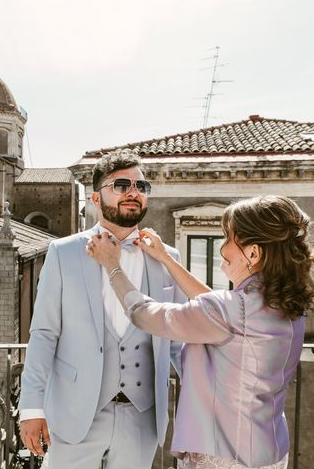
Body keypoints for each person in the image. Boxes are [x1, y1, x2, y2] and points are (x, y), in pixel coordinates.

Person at [87, 195, 314, 469]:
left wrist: (112, 266)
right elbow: (219, 312)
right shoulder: (283, 303)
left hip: (223, 456)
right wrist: (165, 258)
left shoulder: (230, 311)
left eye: (229, 238)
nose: (223, 247)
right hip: (269, 450)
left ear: (254, 253)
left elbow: (146, 314)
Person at [19, 149, 185, 469]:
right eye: (121, 185)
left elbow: (178, 340)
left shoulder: (168, 258)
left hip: (143, 417)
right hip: (75, 412)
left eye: (140, 186)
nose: (133, 192)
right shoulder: (63, 252)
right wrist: (31, 408)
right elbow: (44, 333)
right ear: (95, 198)